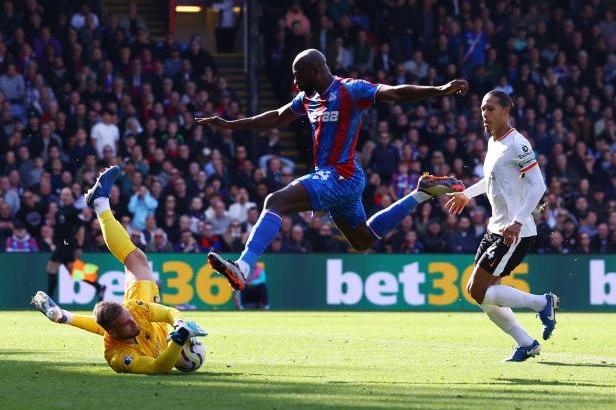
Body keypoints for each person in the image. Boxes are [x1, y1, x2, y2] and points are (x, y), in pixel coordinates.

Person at [196, 49, 468, 290]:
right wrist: (231, 125)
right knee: (362, 240)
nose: (294, 82)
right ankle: (421, 193)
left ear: (314, 71)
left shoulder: (351, 89)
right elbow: (277, 117)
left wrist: (439, 89)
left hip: (342, 175)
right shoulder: (306, 98)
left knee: (275, 201)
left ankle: (243, 266)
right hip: (342, 179)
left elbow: (394, 92)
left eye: (297, 75)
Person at [32, 166, 207, 374]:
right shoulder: (117, 355)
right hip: (62, 247)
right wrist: (177, 343)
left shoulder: (133, 310)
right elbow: (155, 368)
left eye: (69, 194)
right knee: (66, 268)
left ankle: (99, 207)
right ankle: (82, 291)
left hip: (70, 248)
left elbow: (168, 312)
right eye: (65, 194)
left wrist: (179, 324)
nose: (133, 322)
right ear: (113, 333)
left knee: (134, 259)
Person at [445, 90, 558, 362]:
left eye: (491, 109)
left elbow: (538, 186)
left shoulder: (518, 144)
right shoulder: (493, 143)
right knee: (484, 296)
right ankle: (527, 343)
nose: (485, 114)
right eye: (483, 109)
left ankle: (543, 303)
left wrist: (517, 222)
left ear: (506, 110)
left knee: (476, 290)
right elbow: (492, 181)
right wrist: (466, 194)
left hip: (514, 233)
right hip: (496, 229)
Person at [46, 187, 105, 301]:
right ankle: (99, 286)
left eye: (67, 195)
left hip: (67, 243)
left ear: (72, 198)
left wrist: (79, 246)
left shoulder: (74, 211)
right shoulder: (59, 211)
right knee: (74, 271)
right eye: (63, 194)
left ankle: (49, 299)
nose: (65, 197)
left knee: (51, 267)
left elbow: (82, 226)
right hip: (61, 242)